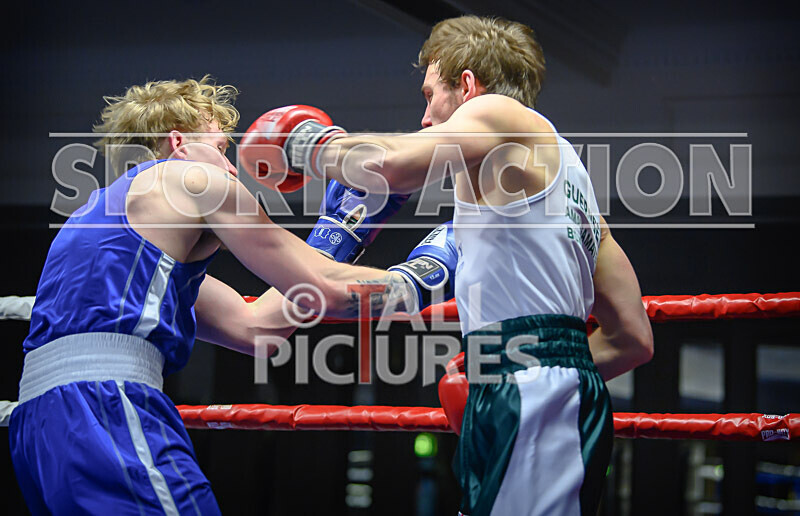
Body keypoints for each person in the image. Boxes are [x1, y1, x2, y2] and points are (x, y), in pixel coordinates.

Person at [241, 15, 654, 516]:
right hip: (535, 384)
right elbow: (631, 338)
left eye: (429, 93)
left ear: (467, 86)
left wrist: (301, 143)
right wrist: (504, 368)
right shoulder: (576, 185)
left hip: (533, 392)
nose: (425, 116)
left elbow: (391, 165)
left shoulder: (498, 112)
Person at [8, 76, 444, 515]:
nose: (232, 169)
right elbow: (324, 290)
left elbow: (255, 329)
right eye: (220, 148)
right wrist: (423, 276)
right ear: (178, 142)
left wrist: (339, 231)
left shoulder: (97, 225)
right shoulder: (193, 179)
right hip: (107, 409)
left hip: (37, 428)